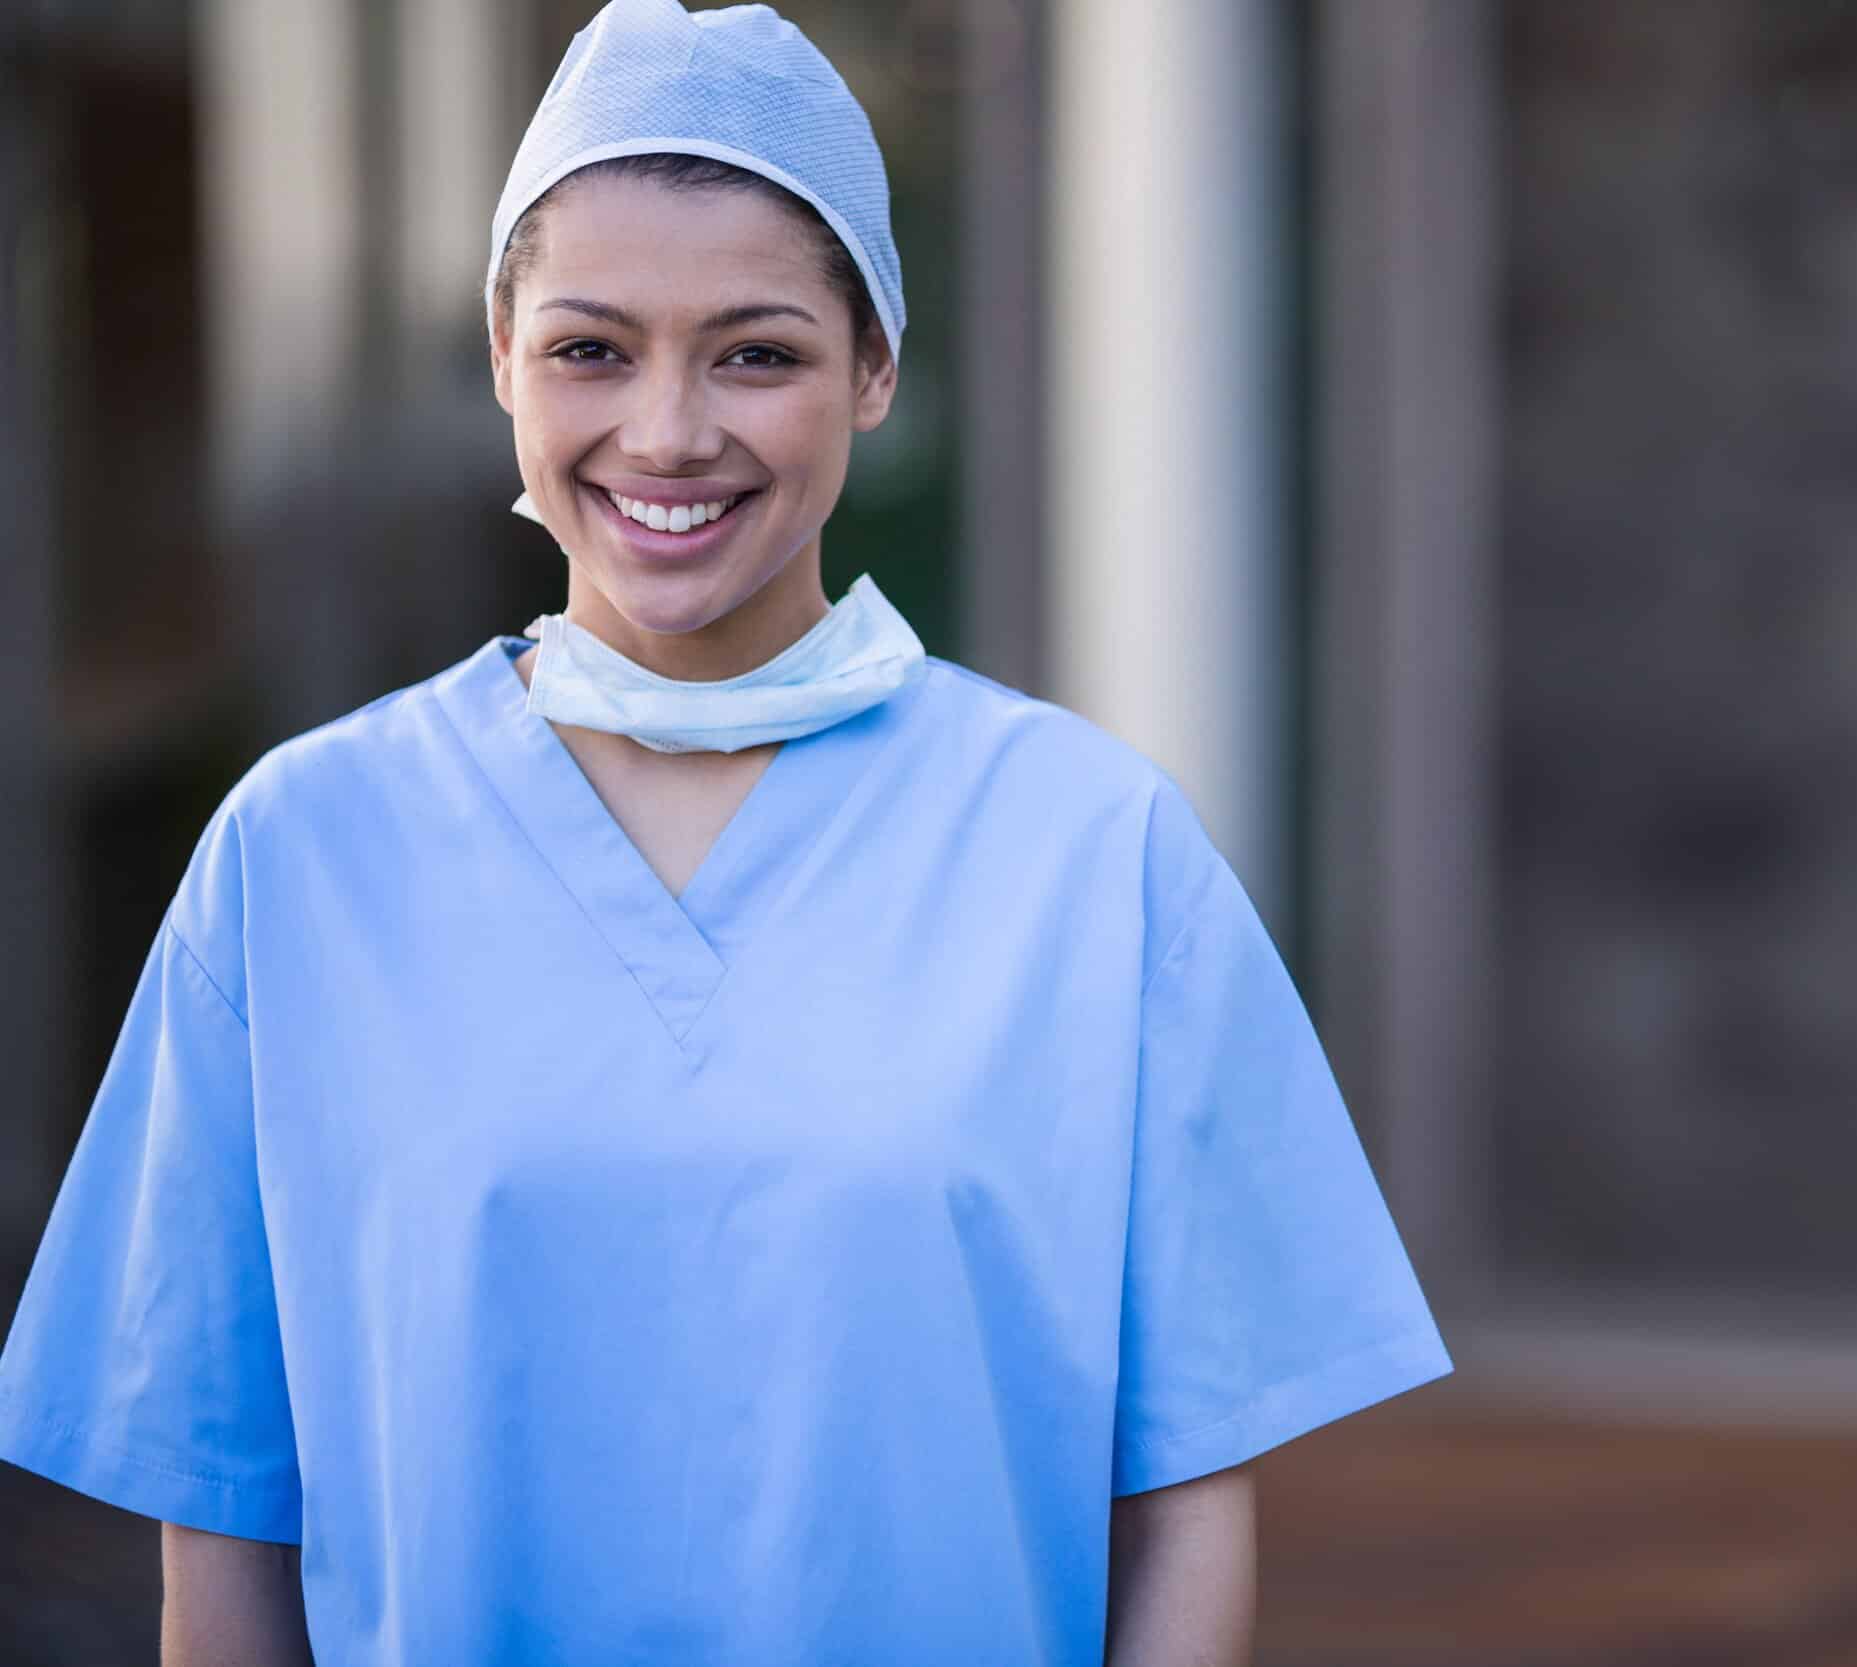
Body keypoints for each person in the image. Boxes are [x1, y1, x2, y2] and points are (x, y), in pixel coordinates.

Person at [0, 2, 1451, 1661]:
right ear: (500, 359)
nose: (669, 433)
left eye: (756, 350)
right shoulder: (305, 855)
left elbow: (1186, 1502)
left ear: (879, 368)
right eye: (590, 348)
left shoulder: (1087, 848)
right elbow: (226, 1529)